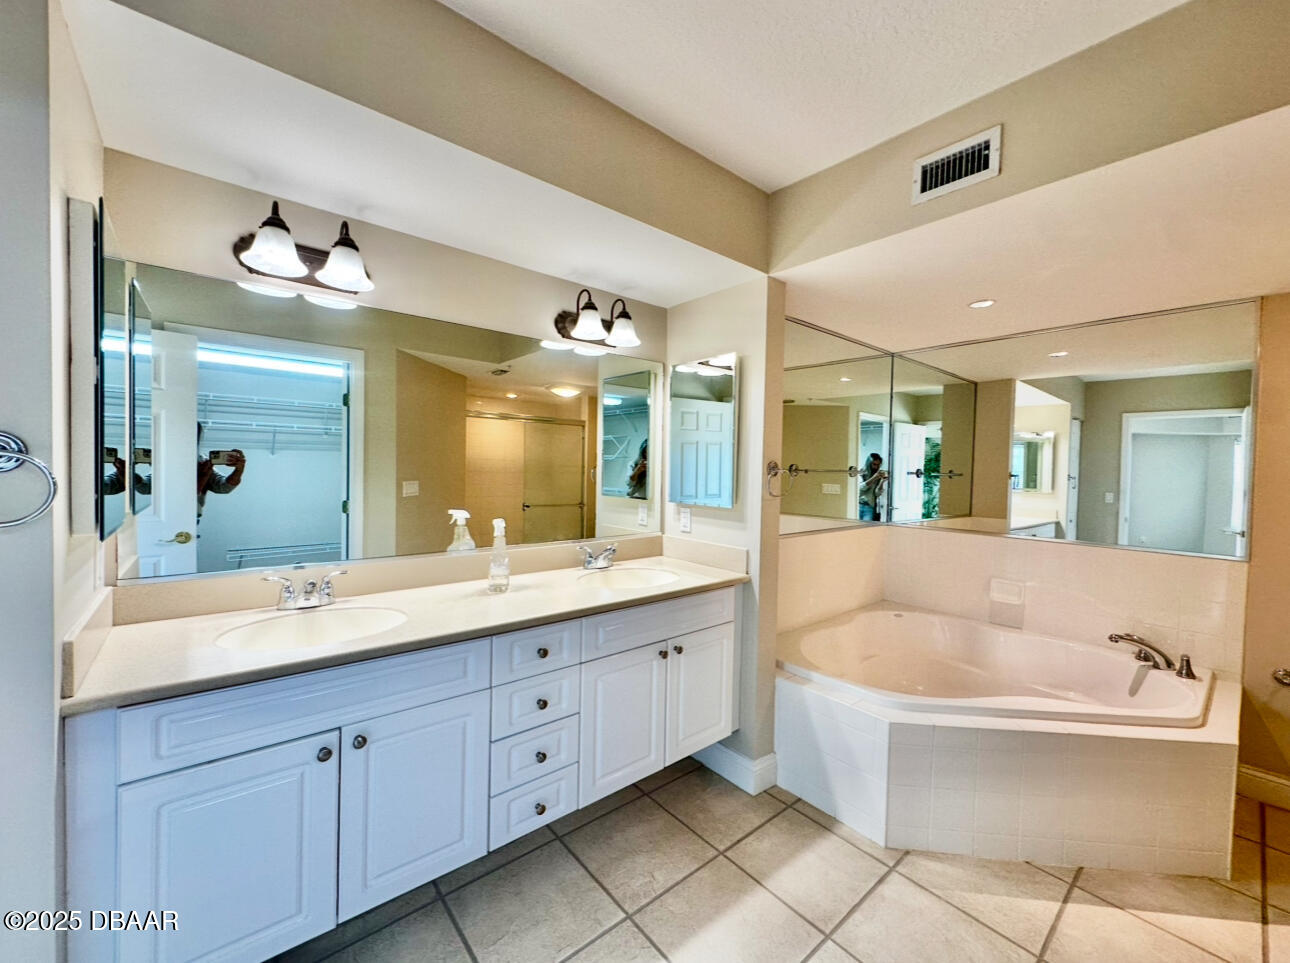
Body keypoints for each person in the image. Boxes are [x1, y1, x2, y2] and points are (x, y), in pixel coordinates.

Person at [197, 422, 246, 518]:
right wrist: (203, 476)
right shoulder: (166, 461)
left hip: (191, 517)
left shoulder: (202, 461)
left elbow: (224, 487)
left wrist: (239, 470)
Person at [858, 452, 887, 521]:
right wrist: (874, 478)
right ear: (869, 463)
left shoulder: (878, 475)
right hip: (857, 506)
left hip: (869, 507)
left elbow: (877, 493)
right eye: (874, 464)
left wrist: (882, 481)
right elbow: (861, 488)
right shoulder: (861, 473)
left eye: (878, 465)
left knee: (866, 529)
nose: (876, 467)